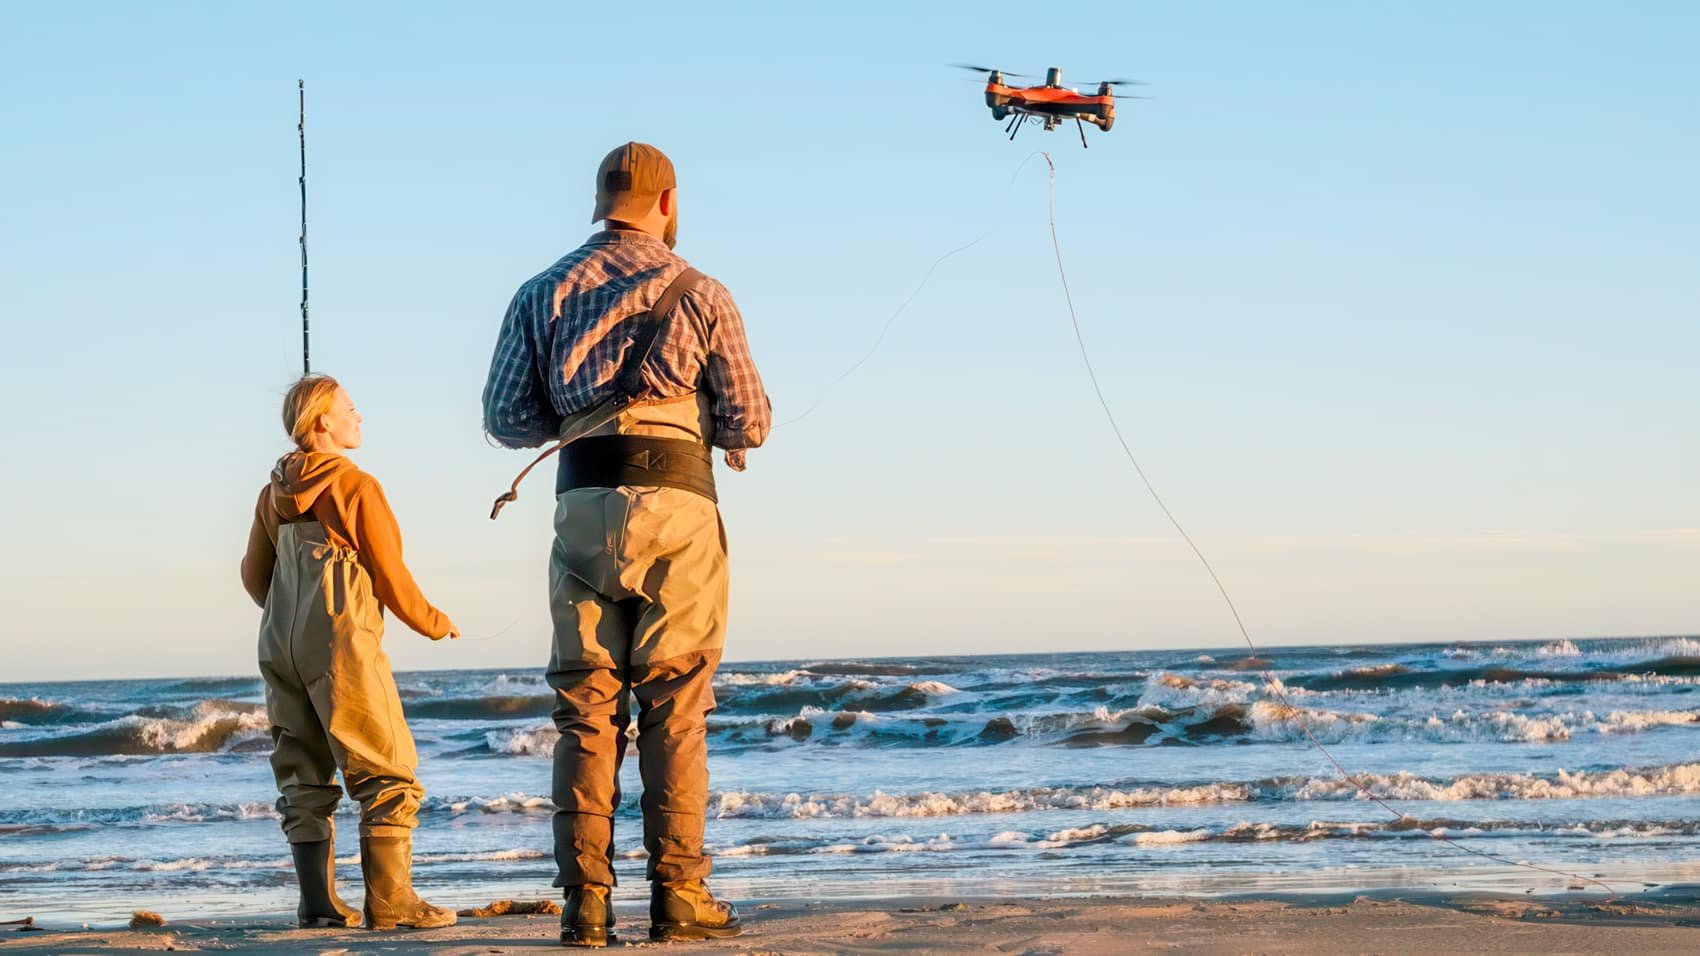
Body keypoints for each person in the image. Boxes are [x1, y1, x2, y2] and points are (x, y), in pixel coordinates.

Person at [482, 142, 770, 946]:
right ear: (668, 200)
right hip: (678, 503)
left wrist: (578, 418)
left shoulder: (540, 291)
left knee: (585, 708)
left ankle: (585, 907)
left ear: (602, 197)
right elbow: (750, 417)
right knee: (675, 705)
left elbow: (506, 419)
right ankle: (679, 896)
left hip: (581, 501)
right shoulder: (702, 291)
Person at [240, 374, 459, 931]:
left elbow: (252, 575)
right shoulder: (355, 485)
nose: (360, 418)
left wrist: (292, 610)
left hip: (279, 641)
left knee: (302, 773)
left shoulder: (273, 492)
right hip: (341, 642)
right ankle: (390, 903)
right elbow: (389, 574)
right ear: (322, 423)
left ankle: (317, 904)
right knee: (386, 769)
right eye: (351, 409)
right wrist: (433, 622)